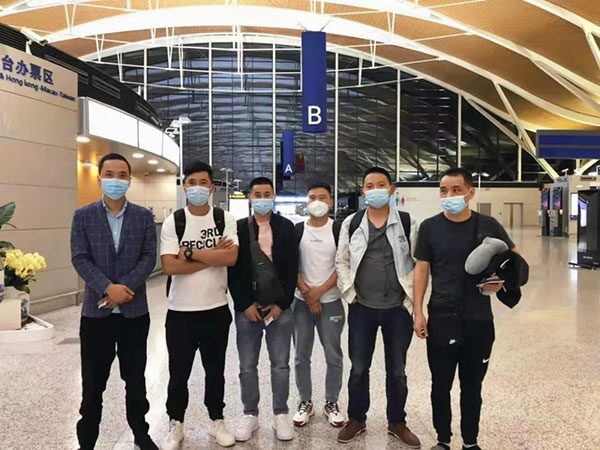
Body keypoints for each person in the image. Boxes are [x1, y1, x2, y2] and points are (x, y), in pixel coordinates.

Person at [412, 168, 518, 450]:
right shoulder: (430, 227)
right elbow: (421, 270)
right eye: (443, 190)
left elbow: (514, 259)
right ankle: (443, 439)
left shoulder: (488, 225)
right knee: (440, 384)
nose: (449, 195)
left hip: (478, 318)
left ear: (470, 193)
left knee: (472, 386)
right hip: (442, 316)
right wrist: (418, 312)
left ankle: (470, 442)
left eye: (456, 190)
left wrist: (500, 279)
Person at [70, 153, 158, 450]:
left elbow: (149, 257)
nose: (116, 180)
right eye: (109, 174)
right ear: (99, 177)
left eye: (122, 175)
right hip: (96, 316)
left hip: (134, 313)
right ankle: (87, 441)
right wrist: (108, 288)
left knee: (135, 379)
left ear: (129, 179)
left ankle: (141, 433)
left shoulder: (143, 216)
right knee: (93, 383)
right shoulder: (83, 216)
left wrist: (125, 287)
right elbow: (80, 258)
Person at [335, 167, 421, 448]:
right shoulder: (352, 222)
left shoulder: (406, 222)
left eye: (381, 185)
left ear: (392, 189)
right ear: (363, 192)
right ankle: (356, 419)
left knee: (397, 369)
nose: (375, 190)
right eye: (369, 186)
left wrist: (415, 303)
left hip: (398, 308)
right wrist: (349, 293)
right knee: (359, 368)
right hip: (362, 307)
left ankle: (397, 421)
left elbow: (419, 264)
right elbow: (342, 260)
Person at [160, 160, 239, 449]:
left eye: (203, 182)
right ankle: (176, 422)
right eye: (191, 183)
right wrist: (212, 255)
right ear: (184, 187)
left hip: (215, 309)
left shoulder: (224, 219)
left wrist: (190, 254)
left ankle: (216, 419)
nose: (197, 188)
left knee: (215, 371)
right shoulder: (174, 221)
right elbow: (169, 266)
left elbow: (230, 258)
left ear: (212, 187)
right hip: (180, 312)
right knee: (178, 373)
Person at [228, 177, 298, 442]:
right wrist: (244, 304)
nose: (262, 199)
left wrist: (282, 304)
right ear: (249, 197)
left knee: (280, 364)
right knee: (247, 365)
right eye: (257, 194)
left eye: (267, 194)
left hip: (279, 307)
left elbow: (292, 268)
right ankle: (250, 414)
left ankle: (281, 413)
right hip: (247, 309)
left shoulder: (286, 227)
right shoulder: (238, 228)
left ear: (274, 196)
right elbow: (233, 270)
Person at [292, 182, 345, 428]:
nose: (317, 202)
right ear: (306, 202)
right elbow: (290, 265)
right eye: (312, 197)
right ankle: (305, 401)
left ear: (331, 202)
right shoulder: (297, 230)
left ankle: (331, 402)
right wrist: (307, 292)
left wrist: (320, 292)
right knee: (301, 355)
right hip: (301, 302)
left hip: (331, 301)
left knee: (333, 355)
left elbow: (343, 264)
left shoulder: (339, 229)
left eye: (322, 197)